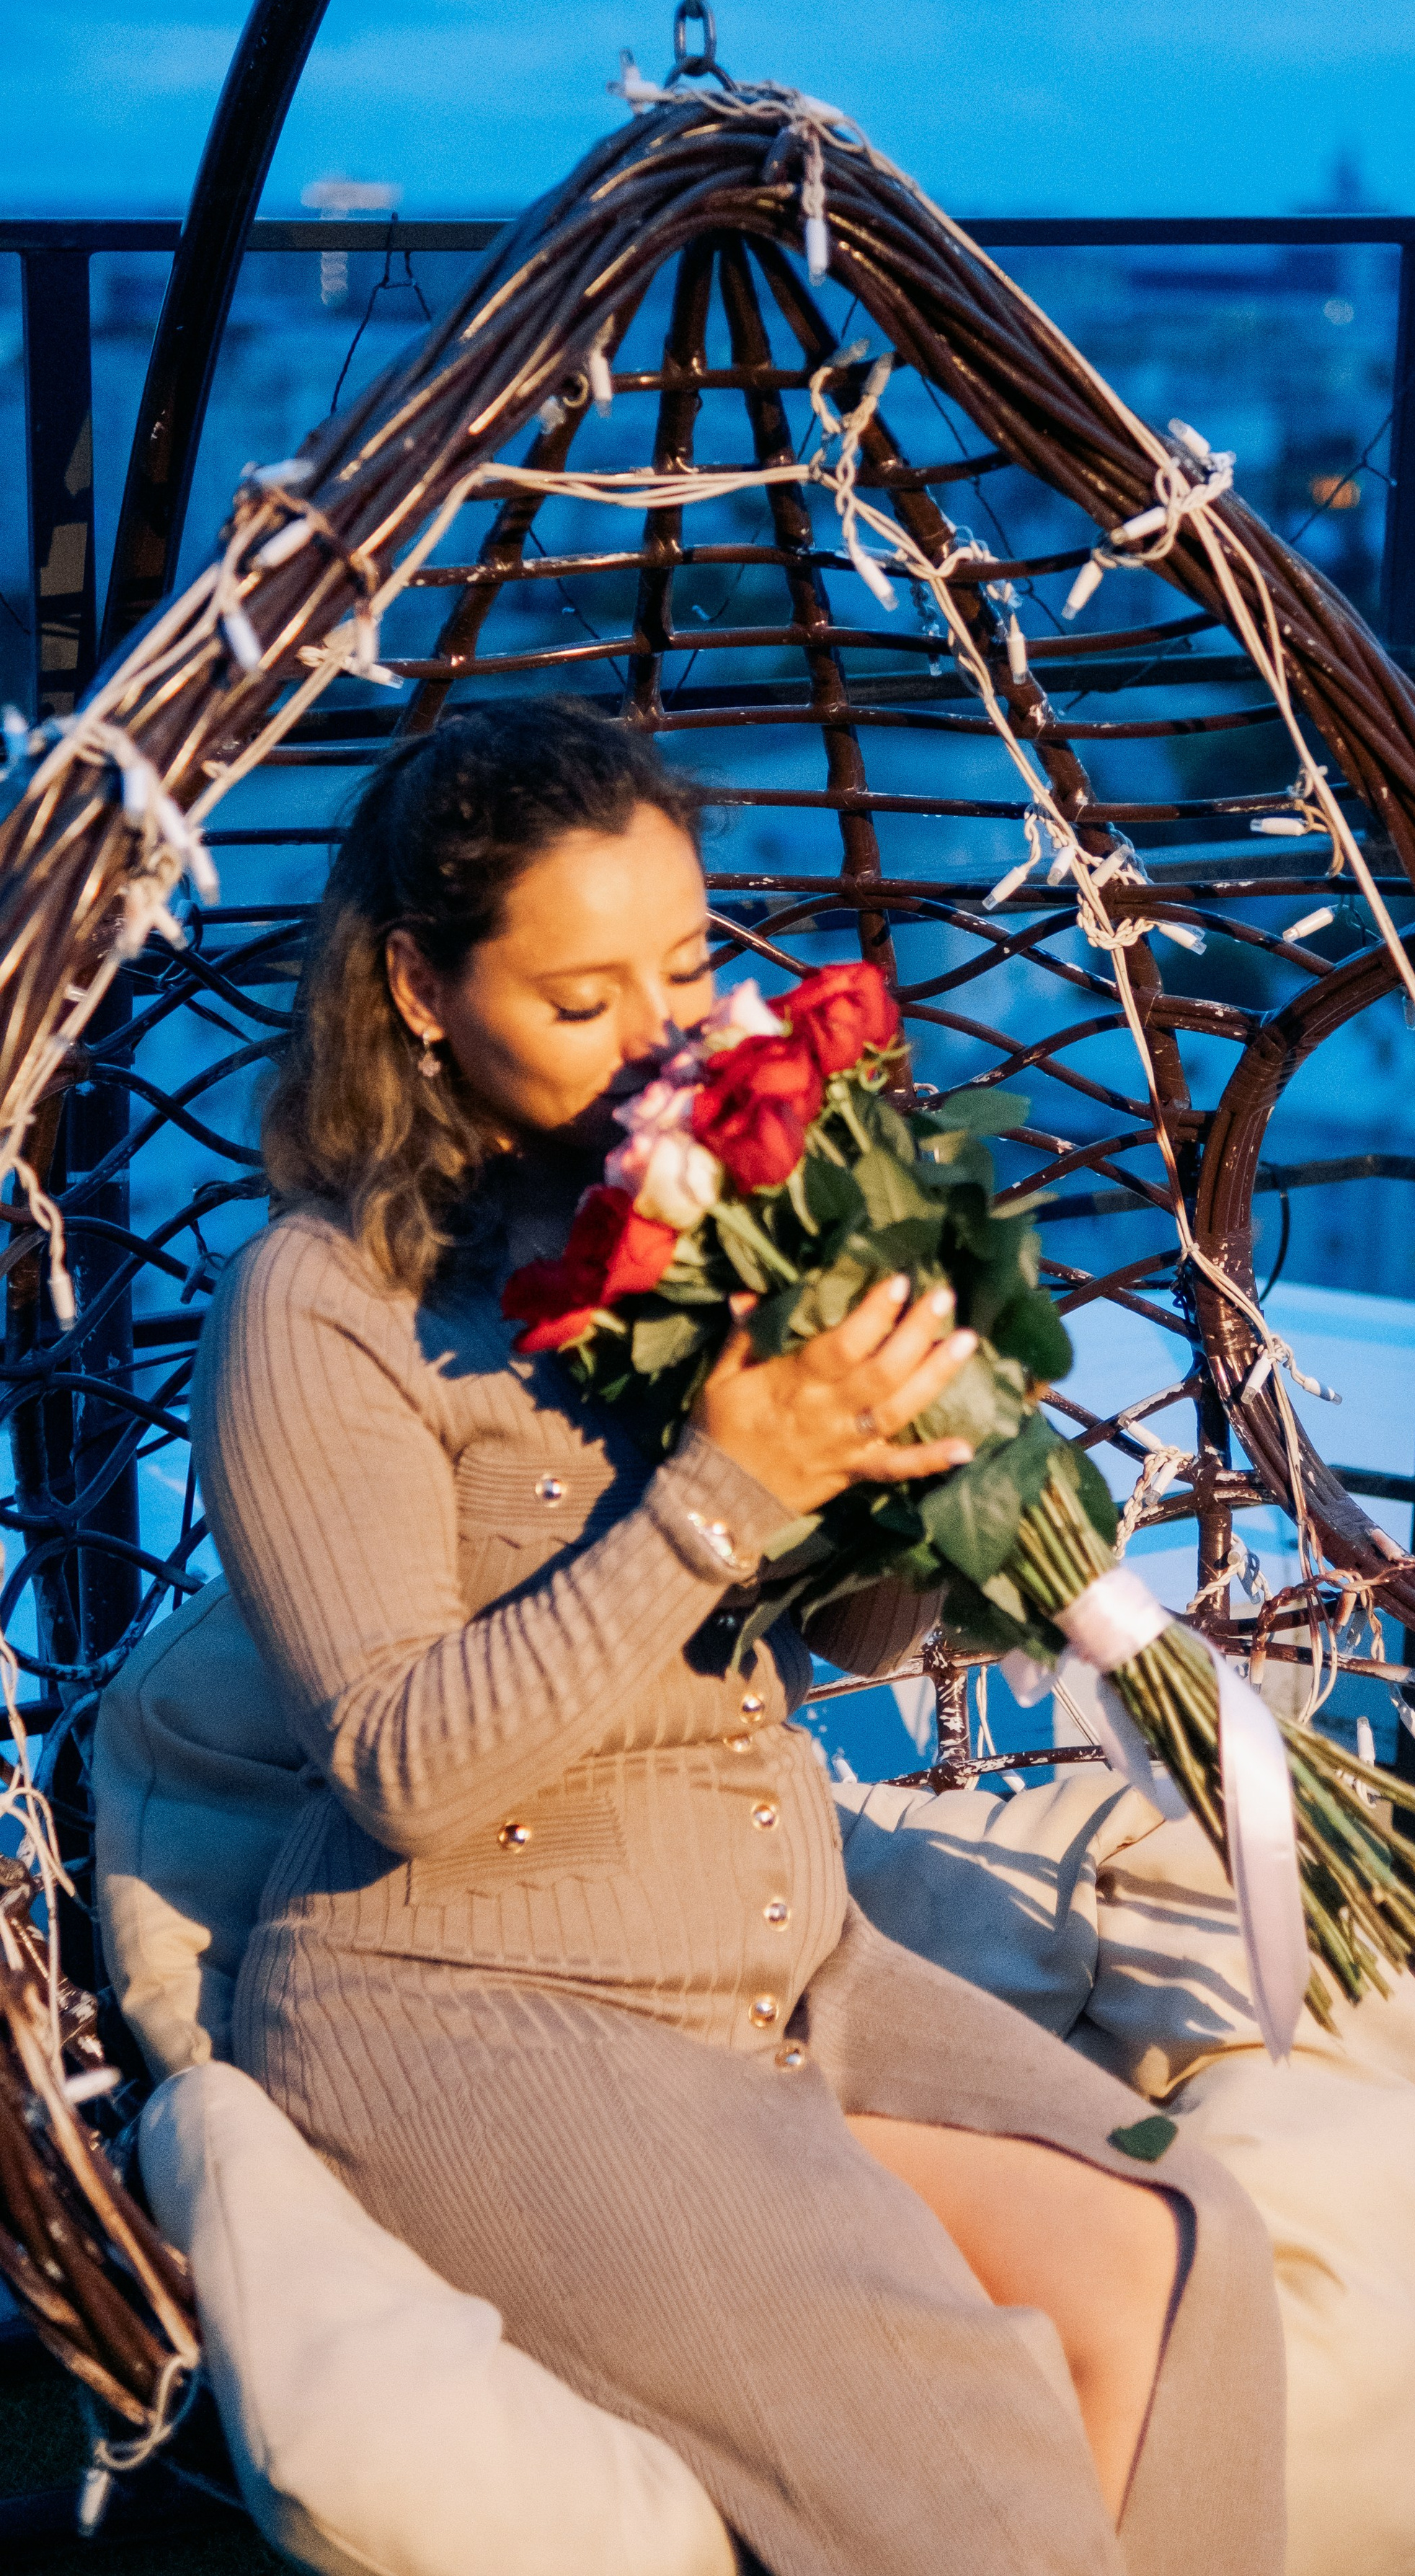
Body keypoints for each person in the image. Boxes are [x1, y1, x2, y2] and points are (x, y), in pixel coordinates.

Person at [194, 696, 1285, 2576]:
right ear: (418, 988)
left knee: (1189, 2239)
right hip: (481, 2008)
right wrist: (725, 1481)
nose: (663, 1038)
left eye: (690, 964)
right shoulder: (325, 1303)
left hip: (779, 1956)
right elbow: (401, 1763)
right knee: (963, 2435)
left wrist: (914, 1483)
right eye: (581, 994)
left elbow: (840, 1641)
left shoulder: (710, 1219)